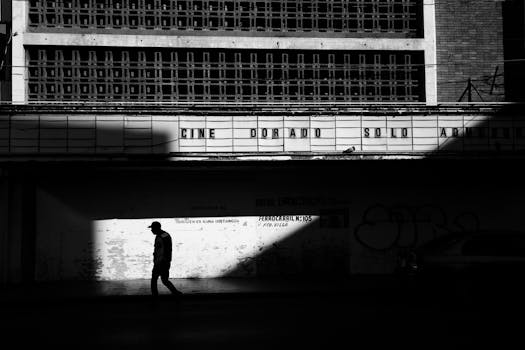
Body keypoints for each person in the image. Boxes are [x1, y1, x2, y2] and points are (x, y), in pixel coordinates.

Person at [149, 221, 182, 298]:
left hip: (161, 262)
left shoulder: (163, 236)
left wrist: (162, 261)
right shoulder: (162, 235)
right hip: (161, 262)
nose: (151, 230)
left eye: (152, 228)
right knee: (164, 280)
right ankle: (176, 293)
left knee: (155, 279)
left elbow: (166, 250)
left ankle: (155, 296)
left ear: (156, 228)